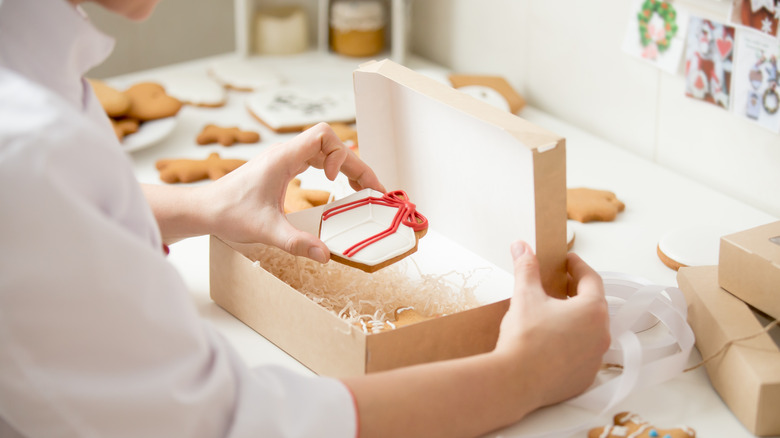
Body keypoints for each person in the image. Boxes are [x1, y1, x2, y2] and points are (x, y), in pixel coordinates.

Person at [0, 0, 610, 436]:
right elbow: (226, 425)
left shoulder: (34, 107)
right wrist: (522, 376)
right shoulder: (30, 145)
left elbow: (46, 222)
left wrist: (202, 205)